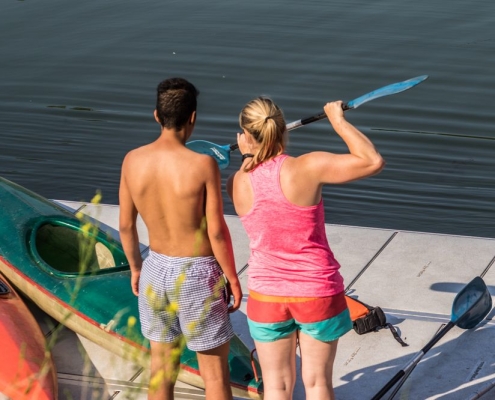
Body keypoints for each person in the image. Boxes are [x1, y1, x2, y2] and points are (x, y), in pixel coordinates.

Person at [227, 96, 385, 400]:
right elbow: (372, 161)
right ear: (281, 128)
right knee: (317, 384)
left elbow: (252, 173)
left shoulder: (235, 182)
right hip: (316, 291)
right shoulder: (307, 167)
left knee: (276, 386)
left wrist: (247, 155)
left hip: (266, 296)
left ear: (246, 135)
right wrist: (338, 120)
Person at [119, 77, 242, 400]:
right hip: (198, 274)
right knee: (215, 376)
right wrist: (232, 277)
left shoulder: (132, 160)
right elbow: (216, 230)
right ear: (193, 118)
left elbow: (126, 227)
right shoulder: (203, 164)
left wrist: (136, 268)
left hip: (155, 269)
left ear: (156, 116)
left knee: (161, 369)